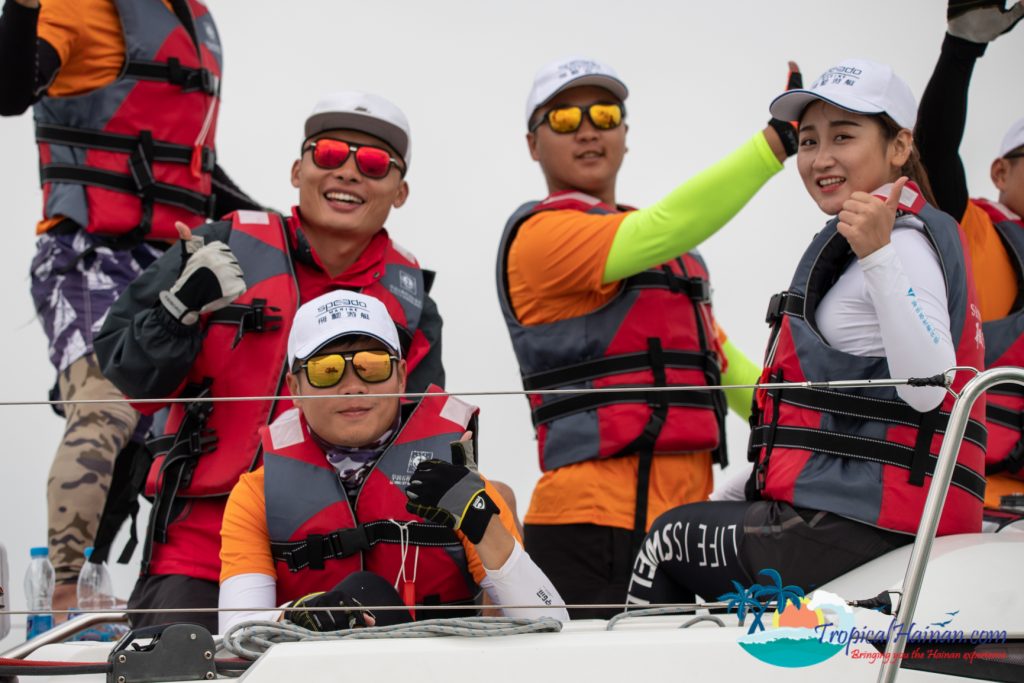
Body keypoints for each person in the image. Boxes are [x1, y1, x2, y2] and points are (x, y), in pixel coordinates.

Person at [626, 59, 987, 606]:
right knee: (701, 532)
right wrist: (736, 492)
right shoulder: (879, 248)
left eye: (844, 136)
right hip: (857, 513)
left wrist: (879, 255)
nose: (820, 159)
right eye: (809, 140)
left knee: (666, 542)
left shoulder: (900, 247)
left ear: (898, 146)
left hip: (860, 524)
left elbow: (929, 387)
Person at [94, 91, 444, 633]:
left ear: (400, 192)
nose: (349, 172)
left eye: (373, 163)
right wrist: (179, 308)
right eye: (329, 153)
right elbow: (124, 375)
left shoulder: (413, 298)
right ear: (297, 169)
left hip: (343, 565)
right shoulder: (218, 245)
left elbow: (424, 443)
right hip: (199, 556)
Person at [496, 56, 796, 617]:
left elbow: (735, 378)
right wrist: (774, 146)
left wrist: (836, 429)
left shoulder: (674, 259)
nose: (587, 128)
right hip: (588, 529)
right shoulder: (541, 236)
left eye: (605, 114)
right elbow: (659, 227)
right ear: (533, 144)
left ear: (625, 136)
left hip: (686, 532)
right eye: (562, 118)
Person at [0, 0, 259, 618]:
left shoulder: (192, 19)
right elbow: (11, 89)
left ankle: (124, 587)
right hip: (87, 252)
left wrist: (271, 225)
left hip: (170, 255)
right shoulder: (79, 8)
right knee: (106, 403)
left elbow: (189, 169)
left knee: (162, 436)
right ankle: (64, 595)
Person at [217, 290, 567, 633]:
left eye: (372, 366)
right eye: (327, 370)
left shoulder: (458, 484)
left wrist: (480, 519)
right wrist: (292, 616)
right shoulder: (256, 496)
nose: (353, 387)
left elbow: (553, 620)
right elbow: (236, 631)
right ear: (295, 388)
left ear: (400, 376)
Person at [915, 0, 1024, 508]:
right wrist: (962, 50)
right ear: (1000, 173)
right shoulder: (973, 229)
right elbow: (934, 152)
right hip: (983, 506)